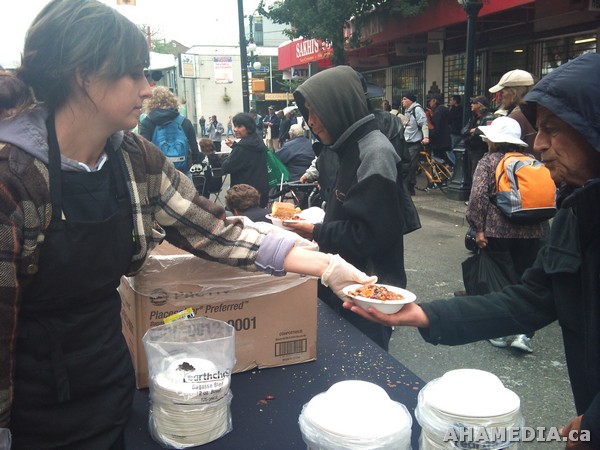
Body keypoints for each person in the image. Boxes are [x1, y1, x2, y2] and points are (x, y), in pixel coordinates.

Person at [0, 2, 375, 448]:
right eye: (134, 73)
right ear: (84, 75)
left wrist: (325, 267)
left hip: (109, 377)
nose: (147, 89)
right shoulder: (14, 178)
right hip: (32, 407)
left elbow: (213, 229)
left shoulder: (134, 159)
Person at [342, 53, 600, 449]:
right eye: (539, 130)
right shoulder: (575, 210)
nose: (540, 144)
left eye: (553, 130)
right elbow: (532, 298)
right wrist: (425, 315)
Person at [285, 65, 420, 351]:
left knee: (365, 364)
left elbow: (370, 235)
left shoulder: (374, 152)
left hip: (367, 292)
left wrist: (315, 231)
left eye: (315, 112)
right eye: (307, 113)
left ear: (338, 107)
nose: (311, 122)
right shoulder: (348, 147)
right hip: (345, 285)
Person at [466, 116, 545, 353]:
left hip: (497, 231)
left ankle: (500, 331)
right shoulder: (530, 160)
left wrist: (478, 228)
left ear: (494, 141)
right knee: (525, 282)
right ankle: (524, 334)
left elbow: (477, 196)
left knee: (499, 282)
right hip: (532, 230)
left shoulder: (489, 161)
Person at [139, 86, 202, 175]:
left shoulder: (147, 123)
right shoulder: (184, 122)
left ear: (150, 103)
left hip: (158, 174)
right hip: (182, 172)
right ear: (173, 101)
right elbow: (194, 148)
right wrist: (195, 162)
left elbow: (143, 149)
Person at [222, 112, 270, 207]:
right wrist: (235, 146)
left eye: (239, 126)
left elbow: (226, 167)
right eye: (235, 126)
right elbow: (248, 156)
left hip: (244, 195)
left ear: (248, 128)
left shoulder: (241, 148)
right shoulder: (258, 141)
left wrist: (224, 157)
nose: (235, 129)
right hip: (260, 191)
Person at [489, 69, 537, 150]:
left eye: (502, 92)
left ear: (514, 93)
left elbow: (501, 151)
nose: (500, 97)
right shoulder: (536, 110)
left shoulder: (515, 118)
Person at [402, 92, 429, 195]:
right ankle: (410, 188)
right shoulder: (407, 111)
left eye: (405, 99)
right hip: (407, 141)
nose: (403, 101)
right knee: (410, 165)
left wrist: (426, 137)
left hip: (414, 142)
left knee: (410, 166)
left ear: (410, 100)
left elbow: (424, 123)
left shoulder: (417, 109)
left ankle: (406, 188)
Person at [463, 95, 495, 177]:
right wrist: (473, 130)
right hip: (471, 148)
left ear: (480, 105)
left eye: (474, 103)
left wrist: (475, 130)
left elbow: (485, 131)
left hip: (481, 149)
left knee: (477, 173)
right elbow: (464, 131)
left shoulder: (489, 116)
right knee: (471, 173)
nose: (471, 104)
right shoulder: (474, 117)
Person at [427, 93, 453, 166]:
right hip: (446, 139)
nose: (429, 103)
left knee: (439, 161)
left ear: (434, 101)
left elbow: (435, 127)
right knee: (444, 159)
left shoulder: (438, 111)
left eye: (430, 101)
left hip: (439, 141)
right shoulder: (444, 109)